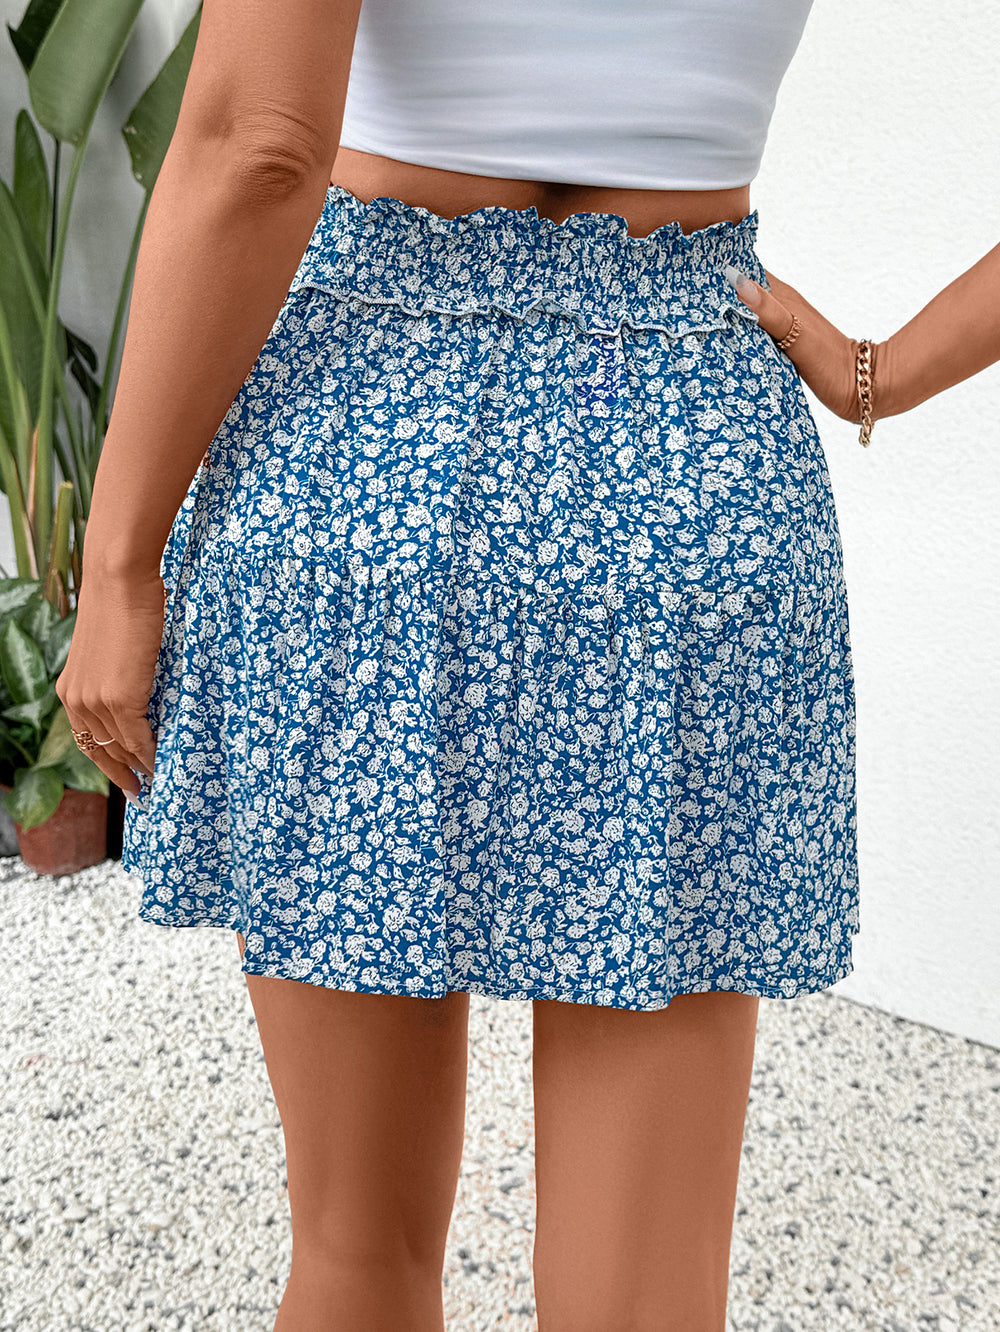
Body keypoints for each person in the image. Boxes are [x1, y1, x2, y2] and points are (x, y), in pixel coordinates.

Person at [54, 2, 1000, 1329]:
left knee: (355, 1249)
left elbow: (260, 149)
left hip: (366, 465)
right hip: (686, 459)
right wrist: (877, 375)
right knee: (643, 1299)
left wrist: (118, 564)